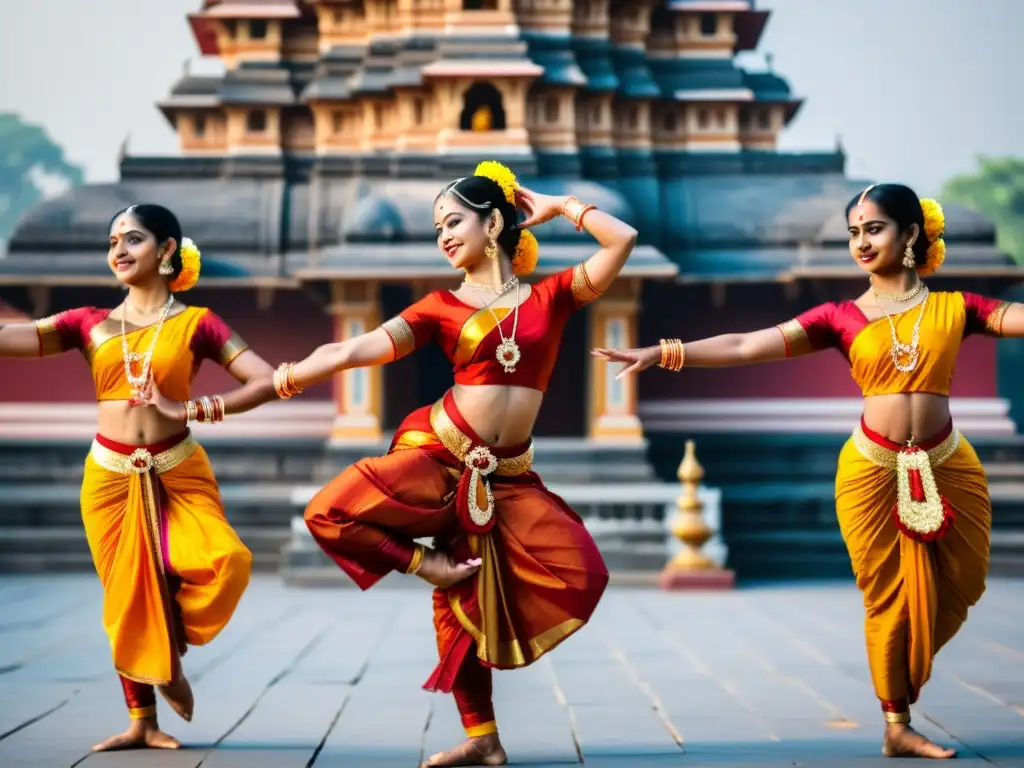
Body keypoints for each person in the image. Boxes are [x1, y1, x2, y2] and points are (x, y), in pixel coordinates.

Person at [144, 161, 637, 765]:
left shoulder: (553, 296)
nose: (444, 237)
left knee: (574, 571)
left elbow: (623, 240)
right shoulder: (438, 307)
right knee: (332, 512)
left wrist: (562, 206)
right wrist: (284, 379)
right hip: (439, 452)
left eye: (454, 221)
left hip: (506, 474)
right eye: (437, 229)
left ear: (494, 223)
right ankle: (428, 566)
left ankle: (483, 742)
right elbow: (353, 348)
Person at [593, 183, 1019, 759]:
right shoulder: (837, 317)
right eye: (853, 233)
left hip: (949, 462)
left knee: (964, 582)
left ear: (912, 233)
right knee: (887, 597)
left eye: (874, 229)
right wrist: (664, 352)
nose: (861, 243)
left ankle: (901, 671)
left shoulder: (957, 307)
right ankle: (897, 721)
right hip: (870, 469)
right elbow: (746, 344)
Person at [0, 204, 275, 751]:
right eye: (111, 242)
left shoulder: (199, 324)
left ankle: (167, 647)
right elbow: (11, 339)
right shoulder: (88, 324)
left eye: (132, 239)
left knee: (229, 561)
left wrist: (192, 409)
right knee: (126, 594)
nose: (118, 251)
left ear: (168, 249)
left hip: (180, 470)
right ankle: (142, 722)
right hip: (108, 477)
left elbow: (264, 379)